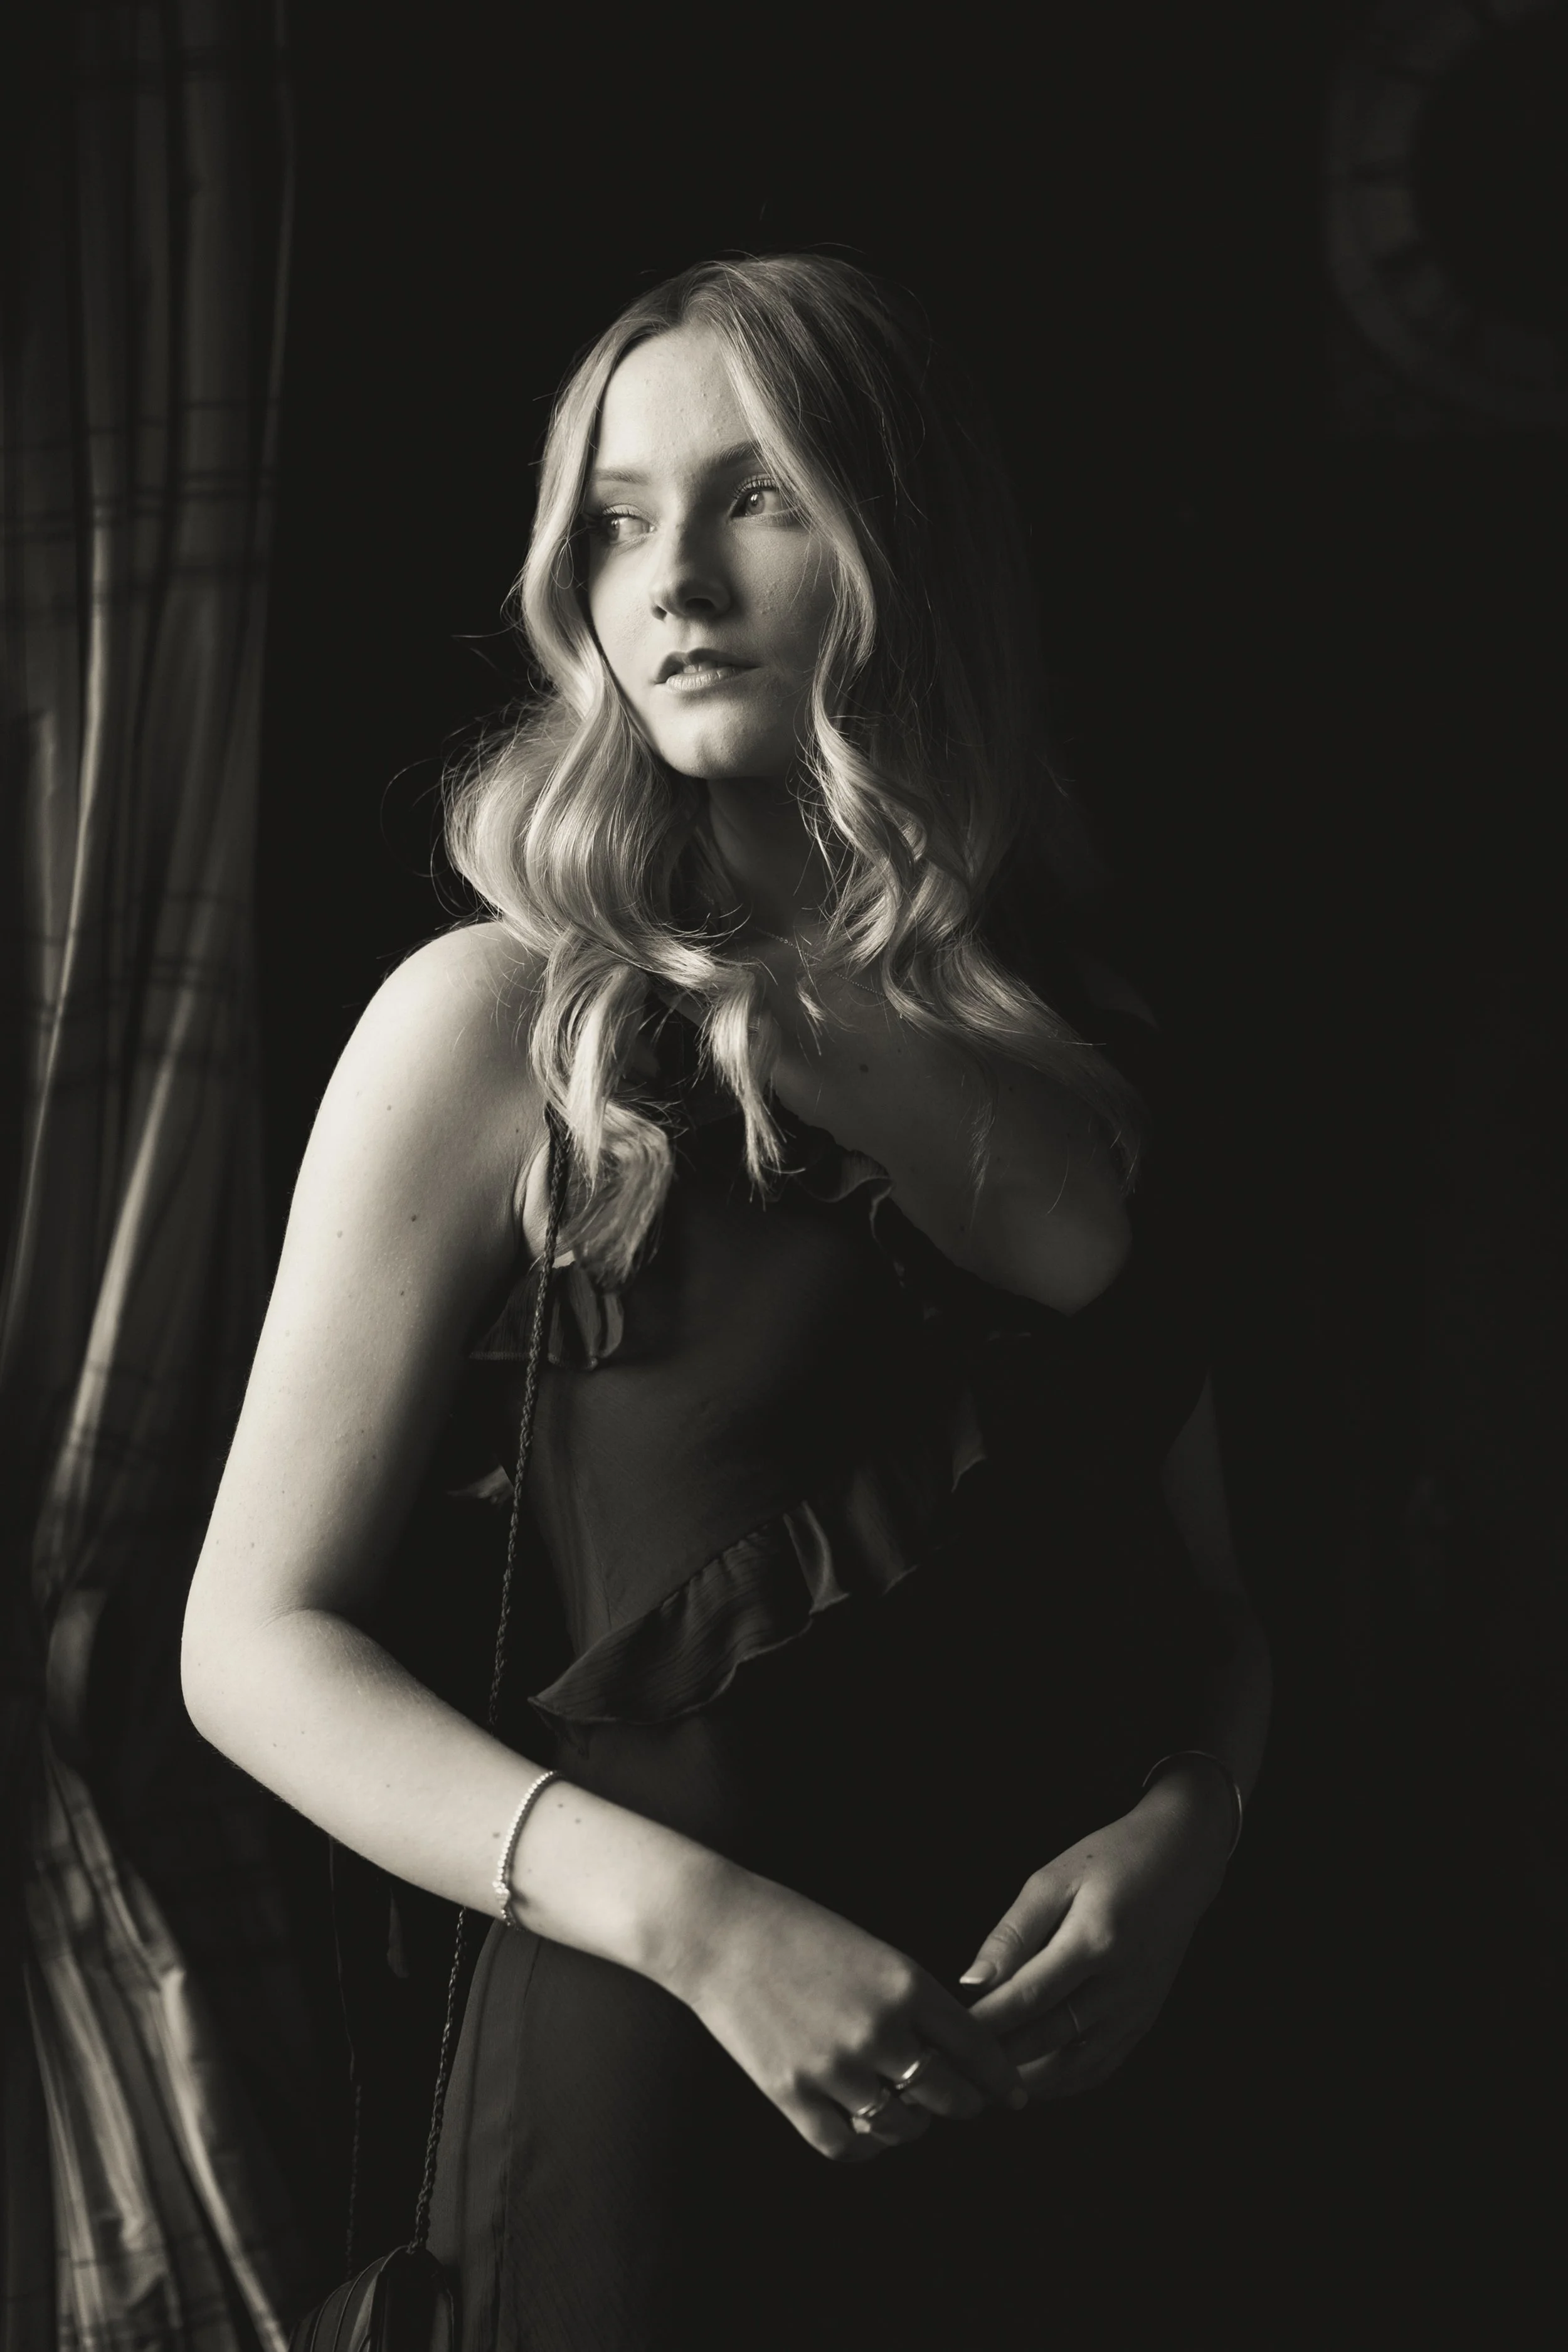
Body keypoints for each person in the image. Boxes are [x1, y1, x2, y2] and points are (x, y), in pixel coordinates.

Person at [183, 255, 1272, 2349]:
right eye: (614, 515)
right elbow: (246, 1646)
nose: (670, 573)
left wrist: (1189, 1829)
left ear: (908, 542)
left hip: (1079, 2109)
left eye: (755, 497)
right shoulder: (509, 1022)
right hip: (663, 2118)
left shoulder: (1100, 1068)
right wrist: (700, 1928)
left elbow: (1206, 1599)